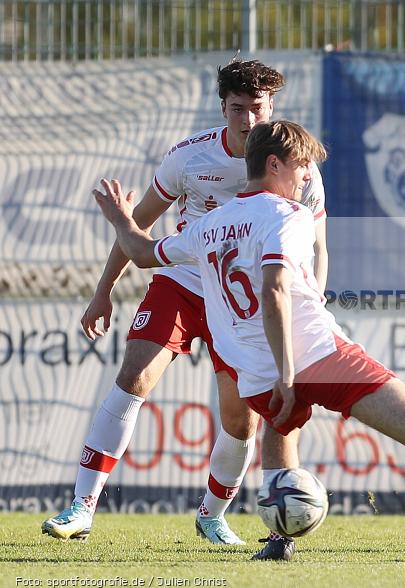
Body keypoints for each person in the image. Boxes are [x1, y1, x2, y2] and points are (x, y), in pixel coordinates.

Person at [92, 120, 405, 543]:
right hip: (315, 356)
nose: (306, 177)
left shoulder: (208, 225)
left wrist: (120, 218)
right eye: (302, 166)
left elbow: (142, 253)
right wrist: (290, 372)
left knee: (280, 448)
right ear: (275, 165)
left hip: (257, 376)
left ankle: (279, 540)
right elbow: (274, 290)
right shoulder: (287, 214)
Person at [42, 60, 325, 559]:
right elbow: (139, 226)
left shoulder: (295, 164)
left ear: (271, 106)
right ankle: (81, 508)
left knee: (241, 422)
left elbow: (318, 245)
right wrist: (104, 290)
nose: (248, 120)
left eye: (256, 108)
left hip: (241, 300)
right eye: (237, 109)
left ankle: (211, 516)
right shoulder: (189, 158)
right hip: (185, 281)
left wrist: (313, 301)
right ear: (223, 108)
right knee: (134, 377)